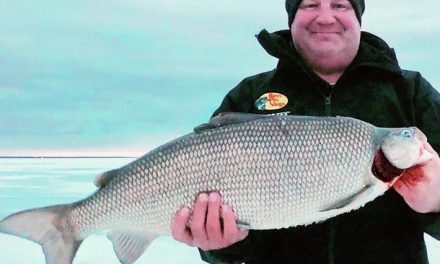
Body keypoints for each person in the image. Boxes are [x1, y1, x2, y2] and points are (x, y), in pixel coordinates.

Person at [172, 0, 440, 263]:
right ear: (292, 18)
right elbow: (227, 249)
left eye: (339, 5)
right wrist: (219, 245)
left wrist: (437, 204)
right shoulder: (248, 96)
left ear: (358, 17)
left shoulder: (411, 92)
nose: (325, 17)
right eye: (310, 5)